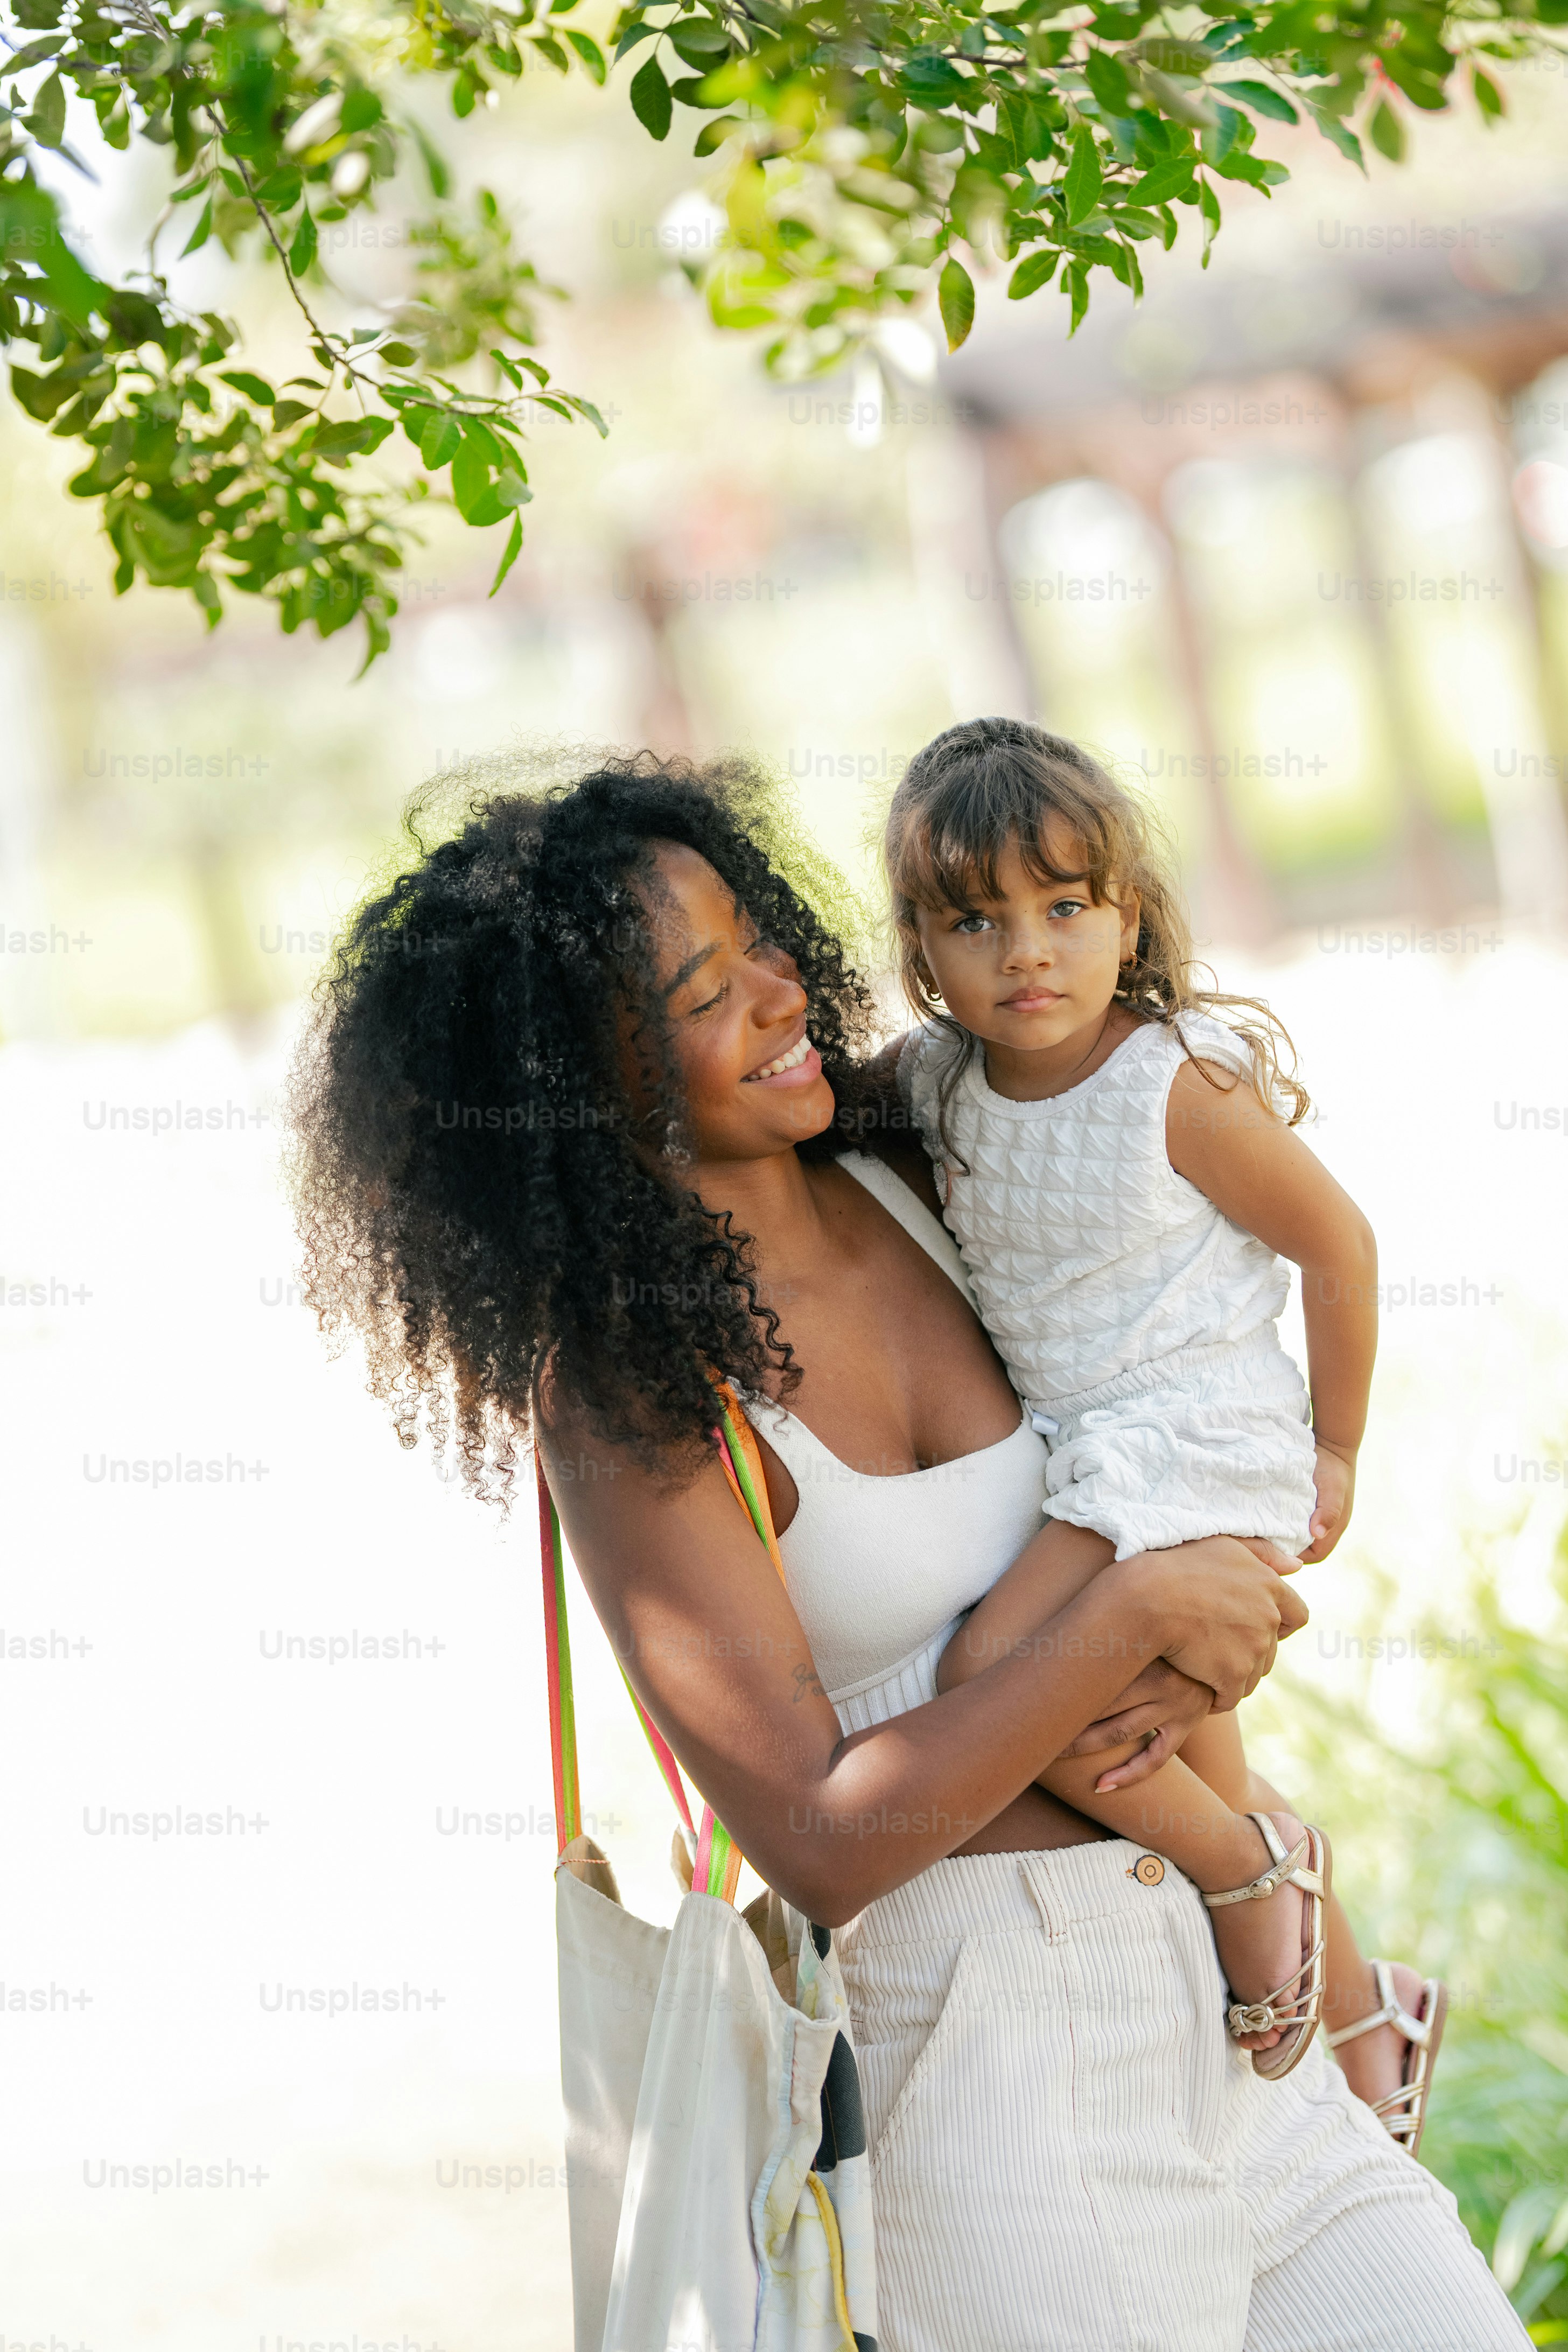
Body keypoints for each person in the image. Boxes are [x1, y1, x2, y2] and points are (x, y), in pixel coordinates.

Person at [286, 755, 1527, 2352]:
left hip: (1232, 2003)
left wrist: (1241, 1574)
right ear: (579, 1081)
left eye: (759, 939)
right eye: (699, 990)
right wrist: (1139, 1608)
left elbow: (1160, 1366)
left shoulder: (918, 1158)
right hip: (998, 2087)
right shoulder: (632, 1387)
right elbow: (819, 1833)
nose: (776, 991)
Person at [858, 716, 1442, 2143]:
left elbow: (1342, 1248)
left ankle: (1252, 1881)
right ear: (923, 947)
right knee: (1166, 1730)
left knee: (1008, 1674)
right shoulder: (937, 1085)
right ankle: (1362, 2031)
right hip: (1085, 1456)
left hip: (1196, 1440)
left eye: (1067, 907)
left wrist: (1339, 1447)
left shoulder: (1170, 1084)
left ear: (1130, 910)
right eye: (977, 922)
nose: (1028, 953)